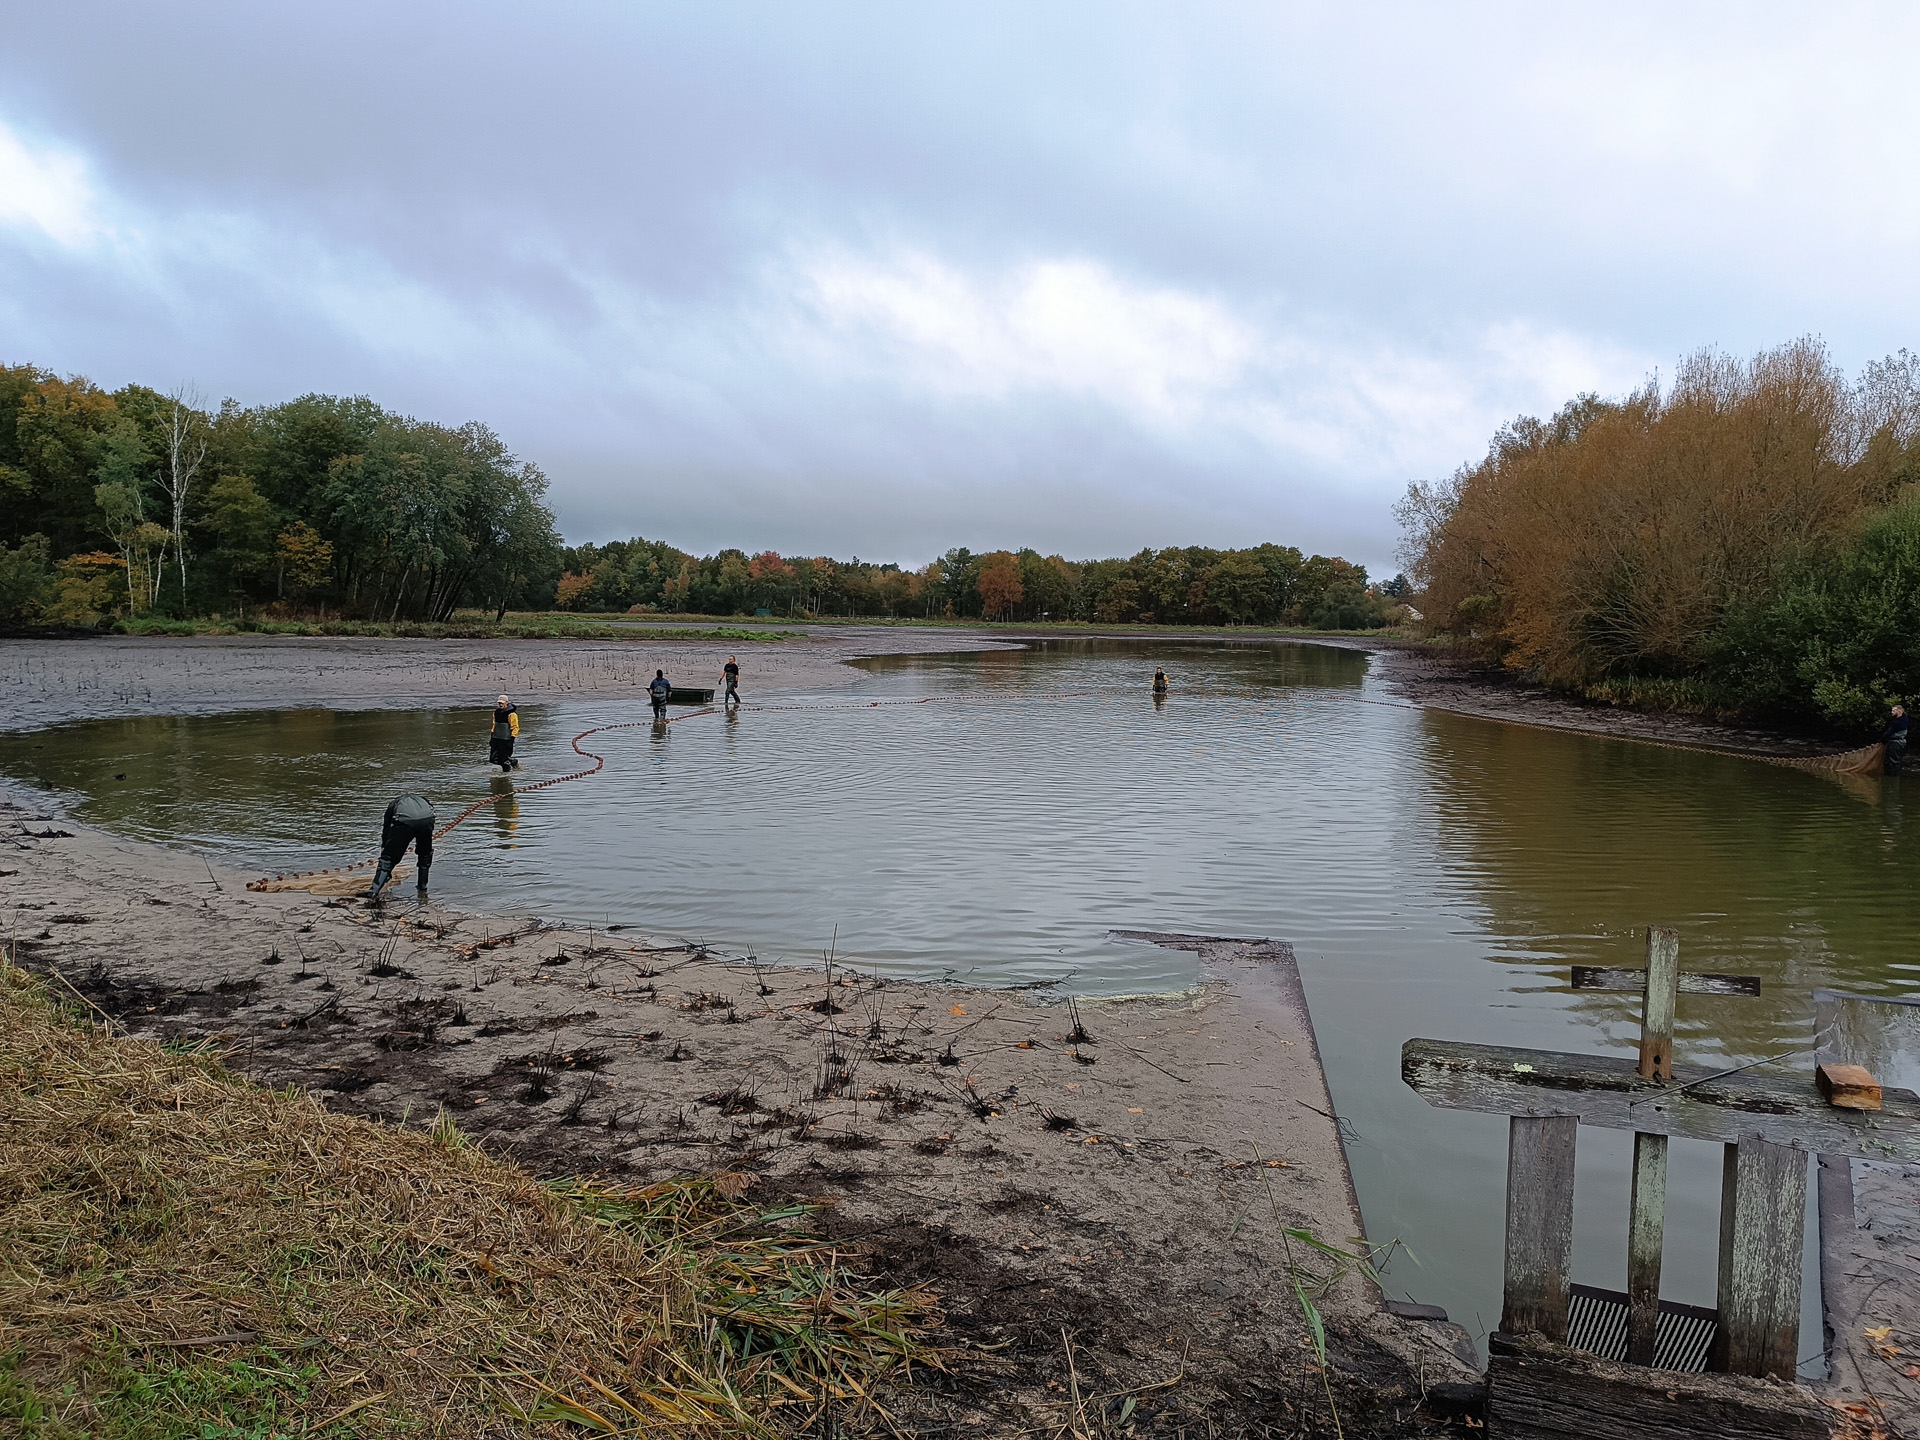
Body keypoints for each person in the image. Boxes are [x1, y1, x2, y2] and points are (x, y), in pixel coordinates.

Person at [367, 792, 435, 902]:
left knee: (388, 858)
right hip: (427, 820)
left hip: (404, 822)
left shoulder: (394, 804)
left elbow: (386, 828)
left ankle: (374, 891)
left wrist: (385, 847)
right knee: (425, 854)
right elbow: (432, 813)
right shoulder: (424, 801)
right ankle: (422, 888)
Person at [488, 694, 520, 772]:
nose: (500, 704)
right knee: (493, 759)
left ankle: (506, 774)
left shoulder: (512, 714)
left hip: (506, 739)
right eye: (499, 703)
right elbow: (494, 724)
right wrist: (492, 737)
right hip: (496, 738)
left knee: (504, 761)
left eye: (502, 703)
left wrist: (512, 739)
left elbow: (515, 727)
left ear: (507, 703)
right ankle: (512, 762)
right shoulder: (496, 712)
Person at [1886, 703, 1909, 777]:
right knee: (1892, 760)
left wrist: (1881, 740)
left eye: (1893, 711)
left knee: (1894, 761)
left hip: (1897, 742)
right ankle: (1892, 777)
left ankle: (1894, 778)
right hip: (1898, 741)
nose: (1891, 712)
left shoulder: (1899, 722)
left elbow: (1889, 732)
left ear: (1899, 711)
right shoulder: (1902, 720)